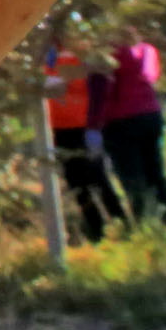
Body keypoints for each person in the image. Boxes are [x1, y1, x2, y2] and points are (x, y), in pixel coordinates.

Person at [90, 34, 166, 226]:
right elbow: (153, 77)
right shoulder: (147, 50)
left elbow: (105, 90)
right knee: (155, 171)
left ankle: (144, 221)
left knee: (131, 174)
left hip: (121, 119)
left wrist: (95, 123)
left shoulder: (109, 54)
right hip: (150, 114)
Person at [44, 42, 113, 243]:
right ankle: (96, 230)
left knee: (98, 178)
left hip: (83, 128)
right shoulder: (44, 58)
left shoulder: (81, 55)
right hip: (58, 130)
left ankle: (121, 222)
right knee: (76, 182)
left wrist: (95, 125)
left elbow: (98, 86)